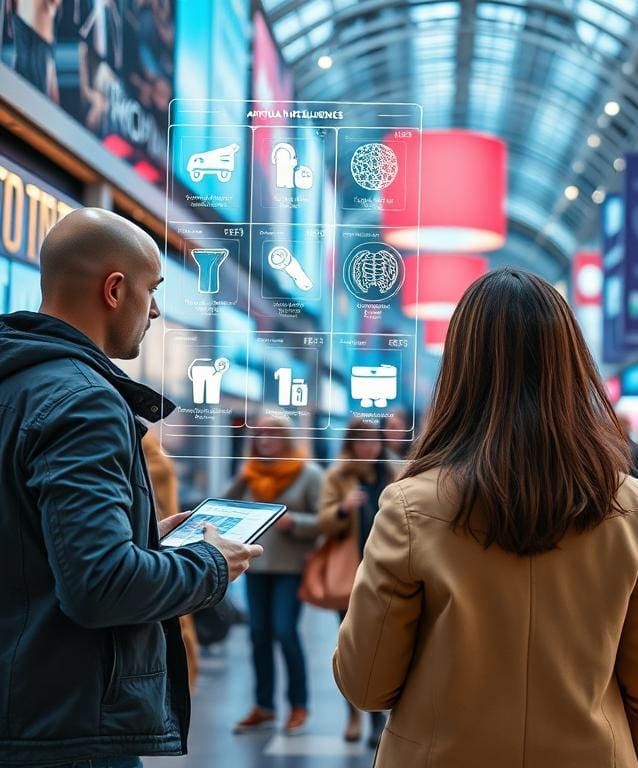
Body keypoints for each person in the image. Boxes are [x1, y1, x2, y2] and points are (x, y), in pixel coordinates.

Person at [333, 269, 638, 767]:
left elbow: (366, 682)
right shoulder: (629, 506)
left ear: (460, 369)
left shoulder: (411, 507)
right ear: (569, 365)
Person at [0, 208, 261, 767]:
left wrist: (142, 536)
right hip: (67, 731)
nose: (158, 309)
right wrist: (211, 565)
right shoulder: (84, 401)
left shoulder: (15, 383)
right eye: (153, 289)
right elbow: (100, 585)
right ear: (115, 289)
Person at [228, 414, 324, 736]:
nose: (265, 439)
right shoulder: (251, 473)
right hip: (257, 566)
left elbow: (325, 521)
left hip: (291, 567)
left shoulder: (307, 473)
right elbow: (222, 507)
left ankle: (299, 705)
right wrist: (241, 480)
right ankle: (264, 707)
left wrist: (294, 522)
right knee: (258, 635)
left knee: (285, 631)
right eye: (260, 433)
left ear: (286, 438)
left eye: (272, 433)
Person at [319, 418, 397, 749]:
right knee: (350, 645)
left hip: (387, 572)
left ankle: (379, 718)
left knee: (384, 644)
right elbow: (323, 521)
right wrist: (342, 509)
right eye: (362, 441)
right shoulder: (338, 477)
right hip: (349, 574)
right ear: (351, 444)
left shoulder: (393, 475)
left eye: (374, 441)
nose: (368, 447)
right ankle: (353, 714)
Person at [142, 428, 200, 692]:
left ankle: (181, 687)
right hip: (157, 540)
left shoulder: (143, 441)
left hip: (160, 539)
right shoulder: (142, 440)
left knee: (175, 622)